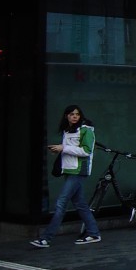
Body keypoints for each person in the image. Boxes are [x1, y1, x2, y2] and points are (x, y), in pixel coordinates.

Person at [32, 105, 100, 247]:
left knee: (61, 203)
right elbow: (70, 149)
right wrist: (59, 150)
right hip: (69, 170)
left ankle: (46, 238)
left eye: (77, 114)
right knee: (80, 204)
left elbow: (87, 151)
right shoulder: (67, 130)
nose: (74, 116)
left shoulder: (86, 130)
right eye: (71, 114)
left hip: (79, 171)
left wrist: (64, 148)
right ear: (66, 116)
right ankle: (94, 233)